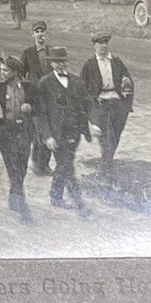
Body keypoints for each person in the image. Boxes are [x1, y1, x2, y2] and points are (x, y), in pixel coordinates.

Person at [36, 46, 93, 213]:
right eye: (56, 62)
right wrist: (47, 137)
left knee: (64, 163)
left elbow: (88, 103)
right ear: (51, 63)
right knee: (66, 165)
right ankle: (79, 202)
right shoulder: (44, 84)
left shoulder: (76, 81)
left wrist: (93, 123)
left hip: (74, 132)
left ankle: (55, 196)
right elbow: (41, 113)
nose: (60, 65)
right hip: (56, 134)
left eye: (63, 61)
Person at [0, 54, 40, 219]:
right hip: (6, 133)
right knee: (13, 169)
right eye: (1, 70)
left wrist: (31, 108)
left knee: (21, 168)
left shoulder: (29, 87)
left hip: (25, 132)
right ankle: (23, 208)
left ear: (16, 71)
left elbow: (41, 107)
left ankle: (13, 199)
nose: (2, 73)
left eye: (5, 70)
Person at [80, 32, 135, 172]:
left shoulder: (116, 62)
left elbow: (128, 80)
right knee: (106, 136)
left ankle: (107, 160)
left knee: (116, 134)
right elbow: (82, 88)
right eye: (100, 43)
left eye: (105, 43)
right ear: (95, 46)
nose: (103, 46)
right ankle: (106, 166)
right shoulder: (89, 65)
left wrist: (126, 102)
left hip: (117, 103)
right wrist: (90, 104)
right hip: (100, 105)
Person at [22, 21, 57, 175]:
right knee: (38, 131)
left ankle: (44, 164)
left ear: (46, 34)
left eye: (42, 31)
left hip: (50, 98)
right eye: (37, 31)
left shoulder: (52, 52)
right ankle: (37, 162)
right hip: (35, 98)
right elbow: (22, 76)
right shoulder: (28, 53)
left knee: (49, 130)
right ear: (32, 35)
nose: (40, 34)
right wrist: (26, 96)